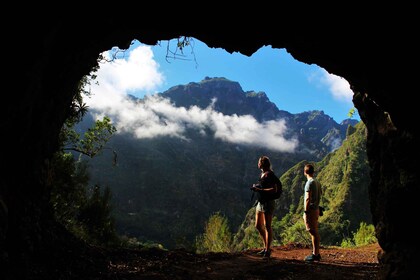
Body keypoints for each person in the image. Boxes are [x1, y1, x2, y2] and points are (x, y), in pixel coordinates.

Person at [250, 155, 281, 259]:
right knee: (258, 225)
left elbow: (274, 189)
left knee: (267, 226)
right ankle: (265, 246)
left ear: (262, 164)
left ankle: (267, 250)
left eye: (259, 162)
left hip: (268, 203)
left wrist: (260, 190)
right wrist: (257, 187)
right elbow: (265, 186)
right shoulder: (263, 174)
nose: (257, 164)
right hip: (261, 202)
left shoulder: (269, 175)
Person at [302, 163, 322, 262]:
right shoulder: (317, 182)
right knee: (314, 231)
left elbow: (307, 199)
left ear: (305, 172)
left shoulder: (309, 183)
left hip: (311, 210)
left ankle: (315, 254)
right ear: (313, 172)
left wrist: (306, 211)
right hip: (316, 209)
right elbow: (319, 195)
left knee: (313, 231)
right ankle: (316, 252)